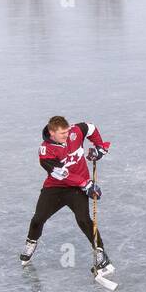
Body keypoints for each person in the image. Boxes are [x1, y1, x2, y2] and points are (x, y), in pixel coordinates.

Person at [20, 116, 113, 277]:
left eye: (67, 131)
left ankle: (100, 252)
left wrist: (99, 147)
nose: (66, 135)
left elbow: (90, 128)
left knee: (83, 219)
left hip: (76, 189)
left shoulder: (75, 131)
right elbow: (61, 174)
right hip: (55, 187)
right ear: (52, 133)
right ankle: (31, 242)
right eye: (62, 133)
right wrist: (86, 183)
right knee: (38, 219)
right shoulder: (46, 151)